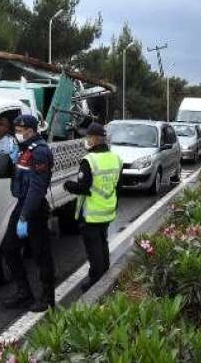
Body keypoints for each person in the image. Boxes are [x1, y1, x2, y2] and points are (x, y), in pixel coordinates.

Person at [1, 114, 56, 312]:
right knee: (9, 249)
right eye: (16, 129)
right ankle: (24, 293)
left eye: (20, 129)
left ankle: (48, 298)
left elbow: (37, 187)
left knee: (42, 256)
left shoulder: (39, 152)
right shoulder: (24, 150)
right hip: (22, 204)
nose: (17, 133)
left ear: (31, 131)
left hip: (34, 208)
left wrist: (24, 216)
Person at [64, 122, 122, 292]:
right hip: (107, 211)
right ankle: (105, 275)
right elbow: (118, 186)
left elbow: (83, 187)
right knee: (102, 244)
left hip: (91, 213)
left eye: (88, 137)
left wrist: (68, 185)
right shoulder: (115, 158)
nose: (86, 140)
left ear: (95, 139)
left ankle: (96, 282)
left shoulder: (89, 160)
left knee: (93, 249)